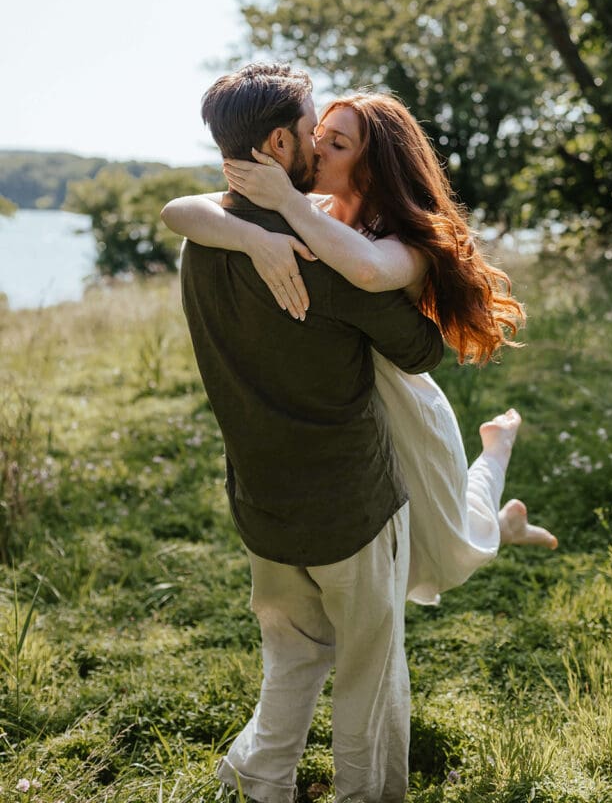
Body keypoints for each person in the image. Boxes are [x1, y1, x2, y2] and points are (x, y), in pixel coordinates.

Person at [163, 89, 557, 605]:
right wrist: (253, 238)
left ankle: (497, 453)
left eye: (338, 144)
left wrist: (283, 202)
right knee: (410, 543)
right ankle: (505, 522)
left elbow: (364, 270)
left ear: (371, 169)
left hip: (406, 403)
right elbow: (178, 211)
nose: (317, 149)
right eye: (318, 135)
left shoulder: (404, 240)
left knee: (450, 540)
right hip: (353, 402)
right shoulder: (316, 208)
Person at [176, 63, 446, 803]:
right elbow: (423, 353)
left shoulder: (204, 245)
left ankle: (261, 781)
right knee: (367, 671)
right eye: (309, 134)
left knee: (291, 658)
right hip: (350, 509)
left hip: (261, 506)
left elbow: (183, 210)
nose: (319, 148)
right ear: (276, 143)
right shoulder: (319, 258)